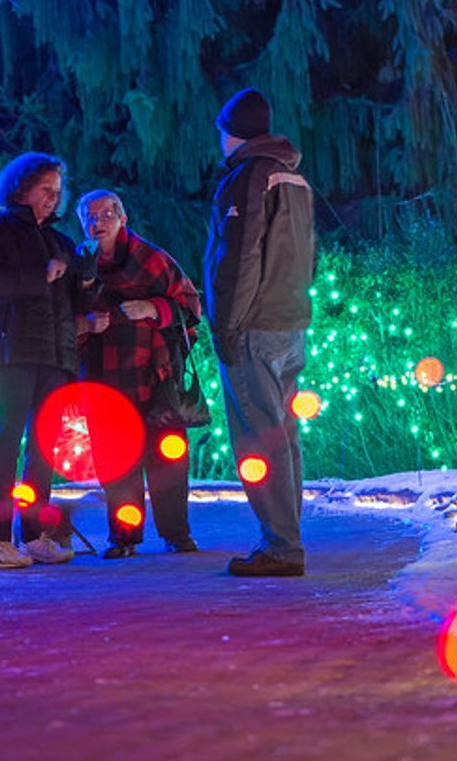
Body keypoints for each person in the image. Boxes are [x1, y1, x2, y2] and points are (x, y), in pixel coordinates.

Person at [203, 88, 316, 577]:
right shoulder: (294, 178)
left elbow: (240, 255)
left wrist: (227, 324)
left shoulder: (249, 177)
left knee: (259, 438)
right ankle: (286, 538)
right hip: (290, 322)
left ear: (232, 131)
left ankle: (282, 546)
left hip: (254, 325)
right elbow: (308, 253)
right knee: (283, 435)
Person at [0, 152, 91, 570]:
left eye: (58, 193)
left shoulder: (61, 241)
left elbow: (73, 296)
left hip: (55, 355)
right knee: (5, 443)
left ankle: (35, 534)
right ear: (22, 187)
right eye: (46, 190)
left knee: (43, 449)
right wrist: (44, 274)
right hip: (11, 351)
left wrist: (86, 286)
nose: (52, 200)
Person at [73, 189, 203, 559]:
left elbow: (190, 305)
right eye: (89, 216)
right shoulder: (82, 265)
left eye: (104, 215)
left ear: (122, 219)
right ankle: (123, 537)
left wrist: (153, 307)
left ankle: (177, 533)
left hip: (155, 377)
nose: (96, 223)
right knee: (116, 462)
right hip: (105, 380)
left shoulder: (151, 259)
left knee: (167, 460)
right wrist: (83, 324)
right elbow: (63, 315)